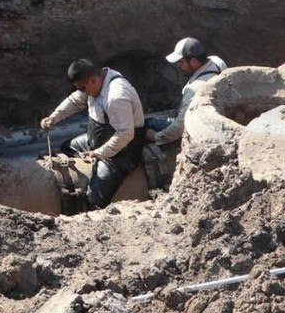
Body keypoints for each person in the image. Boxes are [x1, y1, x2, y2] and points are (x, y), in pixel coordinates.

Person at [40, 59, 148, 208]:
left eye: (83, 88)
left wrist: (99, 153)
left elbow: (125, 134)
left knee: (94, 200)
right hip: (97, 141)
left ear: (92, 80)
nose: (82, 92)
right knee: (67, 147)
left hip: (121, 153)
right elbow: (75, 101)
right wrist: (54, 116)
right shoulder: (95, 83)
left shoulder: (116, 97)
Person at [146, 38, 228, 147]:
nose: (178, 66)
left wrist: (156, 137)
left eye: (181, 62)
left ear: (193, 61)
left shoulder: (195, 89)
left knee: (147, 123)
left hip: (198, 129)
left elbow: (180, 126)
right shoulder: (217, 61)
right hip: (217, 116)